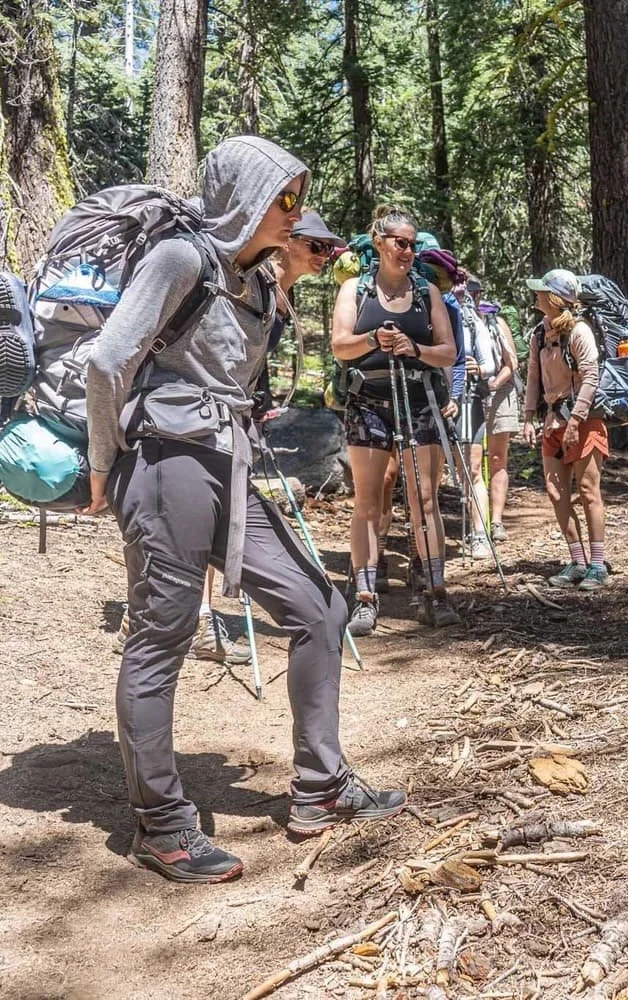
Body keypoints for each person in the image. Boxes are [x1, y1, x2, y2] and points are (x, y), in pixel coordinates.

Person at [80, 137, 405, 883]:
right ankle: (162, 826)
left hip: (226, 465)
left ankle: (320, 786)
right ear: (244, 198)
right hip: (166, 462)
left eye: (298, 198)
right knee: (162, 635)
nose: (295, 212)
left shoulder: (254, 280)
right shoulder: (180, 258)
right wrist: (101, 463)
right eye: (284, 198)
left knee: (320, 607)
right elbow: (108, 360)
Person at [182, 210, 348, 666]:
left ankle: (180, 616)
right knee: (208, 513)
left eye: (329, 249)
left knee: (215, 512)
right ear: (287, 242)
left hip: (232, 413)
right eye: (316, 245)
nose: (325, 255)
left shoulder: (278, 292)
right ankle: (194, 619)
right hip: (203, 414)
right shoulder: (253, 283)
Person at [330, 206, 460, 634]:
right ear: (379, 242)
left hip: (418, 400)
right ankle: (365, 598)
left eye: (412, 244)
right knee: (367, 501)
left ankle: (435, 592)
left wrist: (413, 349)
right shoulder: (354, 290)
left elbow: (449, 352)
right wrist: (373, 339)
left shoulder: (427, 293)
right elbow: (340, 345)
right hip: (367, 402)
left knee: (425, 499)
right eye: (399, 242)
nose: (407, 251)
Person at [521, 268, 609, 590]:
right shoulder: (539, 334)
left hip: (584, 421)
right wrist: (529, 417)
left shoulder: (579, 331)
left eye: (542, 291)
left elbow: (591, 377)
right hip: (553, 421)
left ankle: (597, 565)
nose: (536, 295)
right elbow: (533, 377)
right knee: (556, 491)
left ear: (555, 298)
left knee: (588, 491)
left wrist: (575, 421)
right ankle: (577, 561)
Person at [452, 275, 512, 559]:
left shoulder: (473, 321)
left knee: (473, 468)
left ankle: (480, 534)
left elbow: (489, 364)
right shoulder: (433, 313)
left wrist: (477, 368)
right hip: (437, 401)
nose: (462, 296)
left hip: (468, 400)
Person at [477, 294, 522, 542]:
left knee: (497, 458)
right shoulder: (456, 319)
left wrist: (493, 385)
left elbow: (511, 362)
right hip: (470, 394)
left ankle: (496, 521)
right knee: (472, 462)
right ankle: (477, 521)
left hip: (500, 394)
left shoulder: (496, 322)